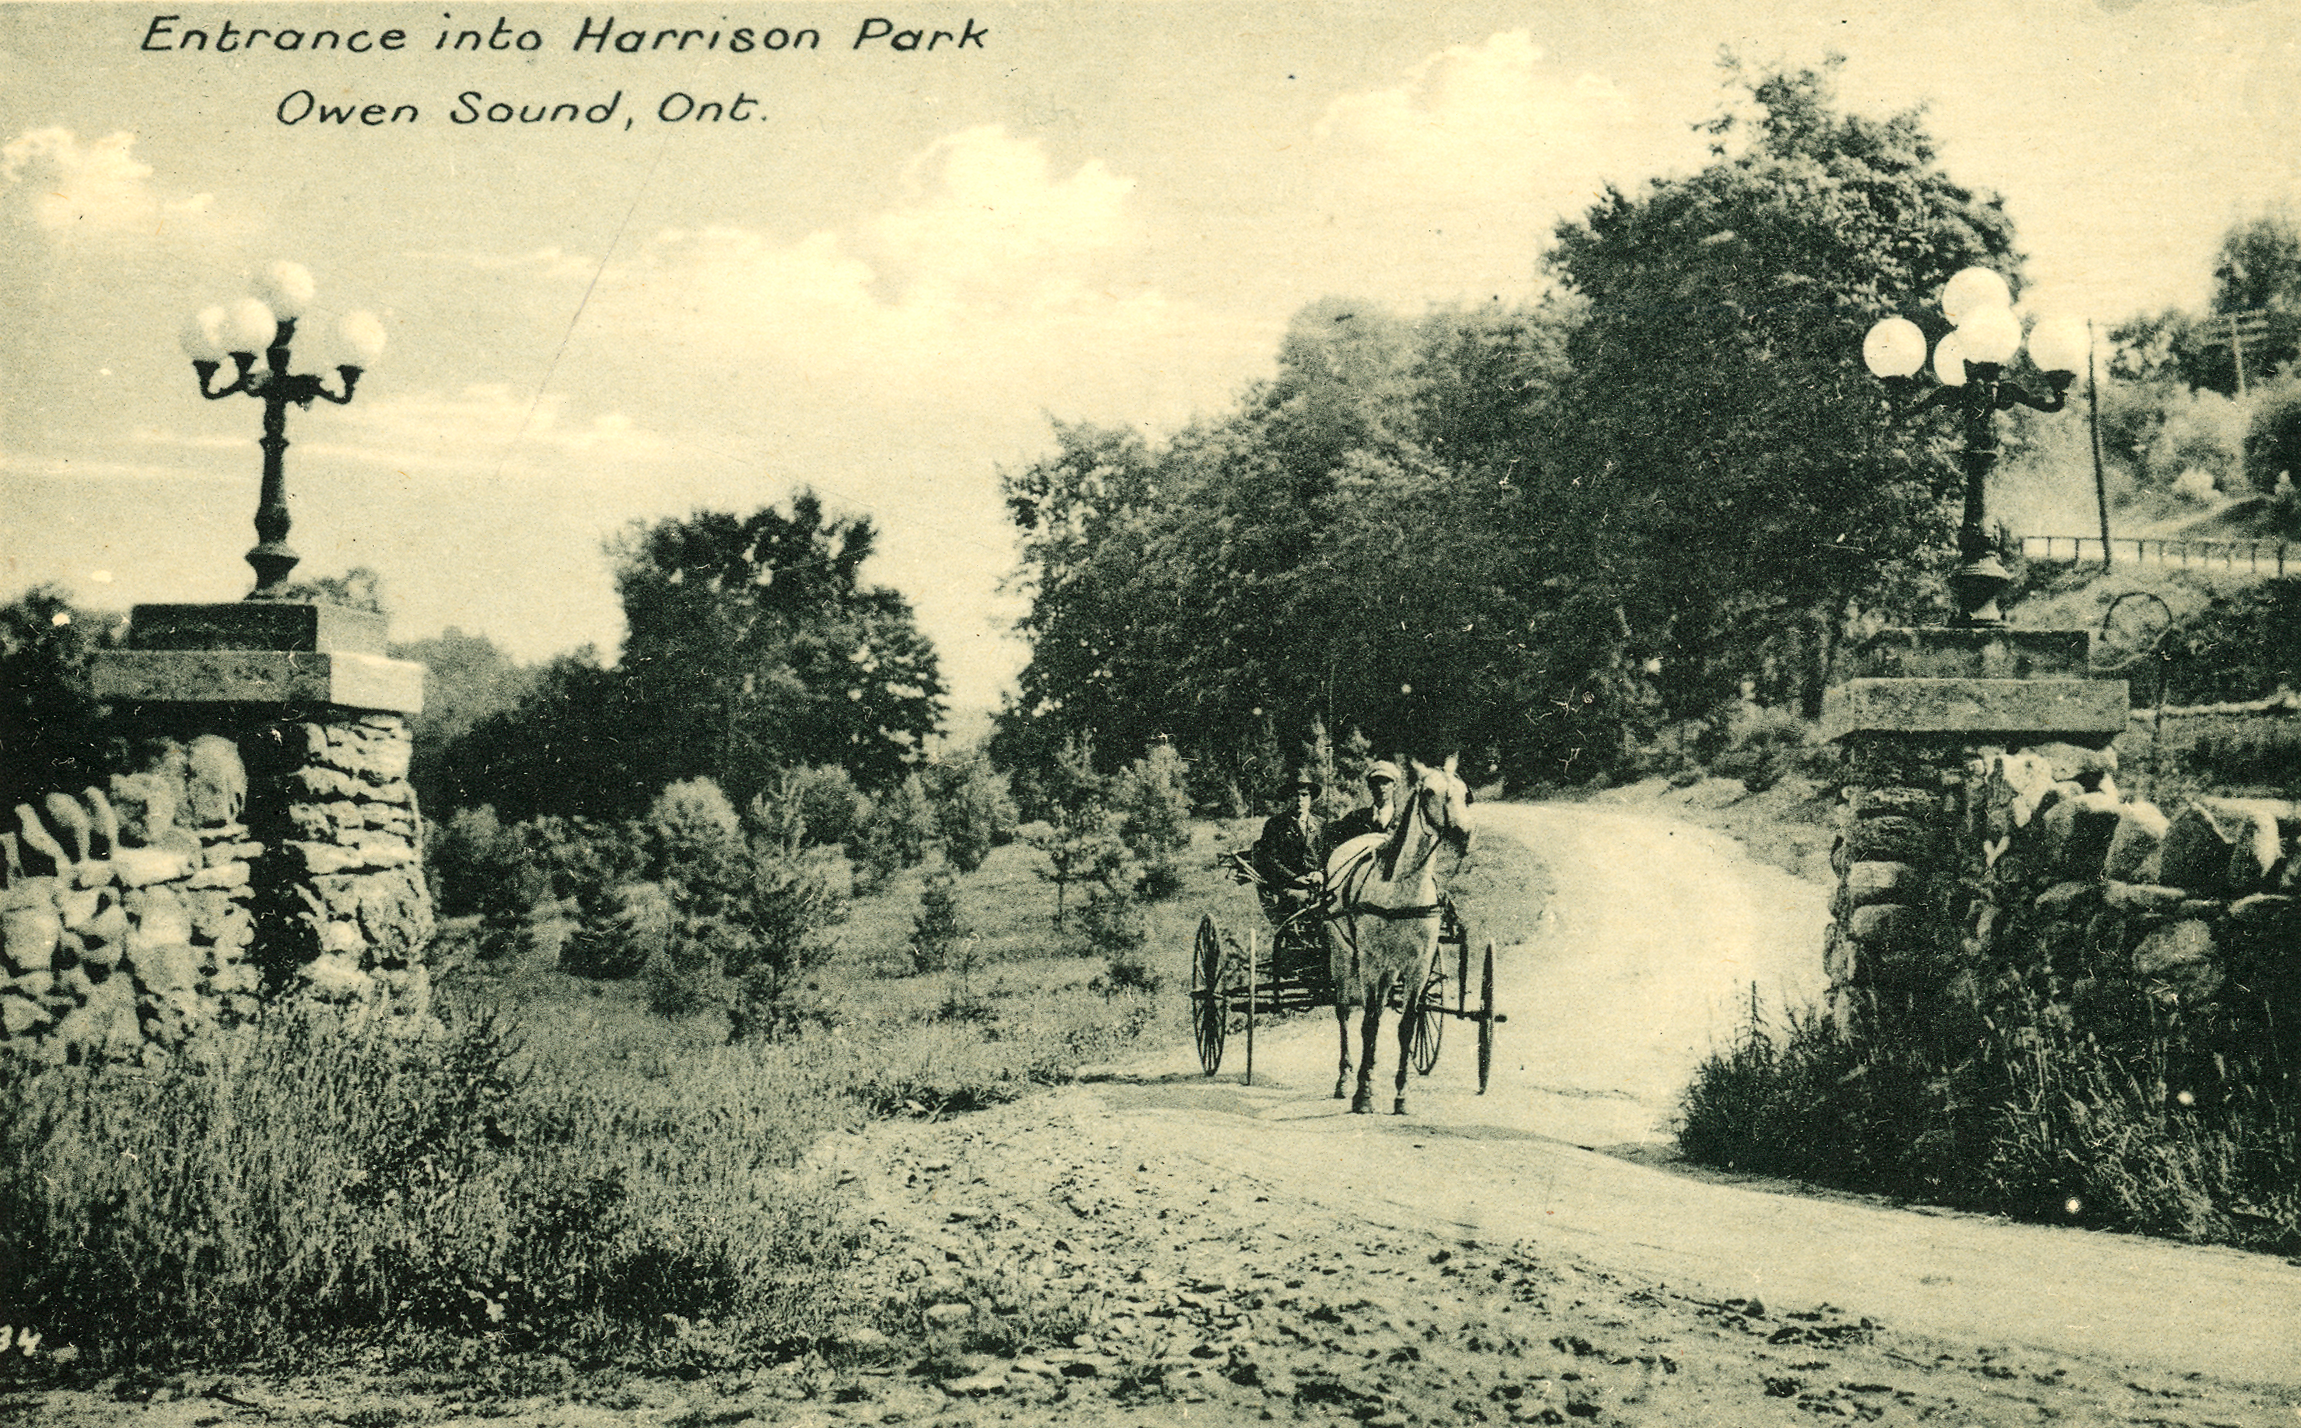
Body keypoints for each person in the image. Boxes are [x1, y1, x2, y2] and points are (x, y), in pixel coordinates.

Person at [1251, 772, 1327, 926]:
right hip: (1288, 885)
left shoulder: (1321, 824)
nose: (1300, 800)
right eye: (1294, 795)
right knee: (1297, 899)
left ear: (1311, 798)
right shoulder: (1275, 825)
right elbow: (1269, 859)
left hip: (1318, 883)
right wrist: (1293, 878)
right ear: (1287, 799)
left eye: (1304, 795)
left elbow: (1329, 855)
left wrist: (1320, 873)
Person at [1325, 761, 1402, 848]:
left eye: (1385, 782)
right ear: (1370, 787)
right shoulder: (1355, 818)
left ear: (1395, 786)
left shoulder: (1402, 820)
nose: (1380, 787)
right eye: (1376, 783)